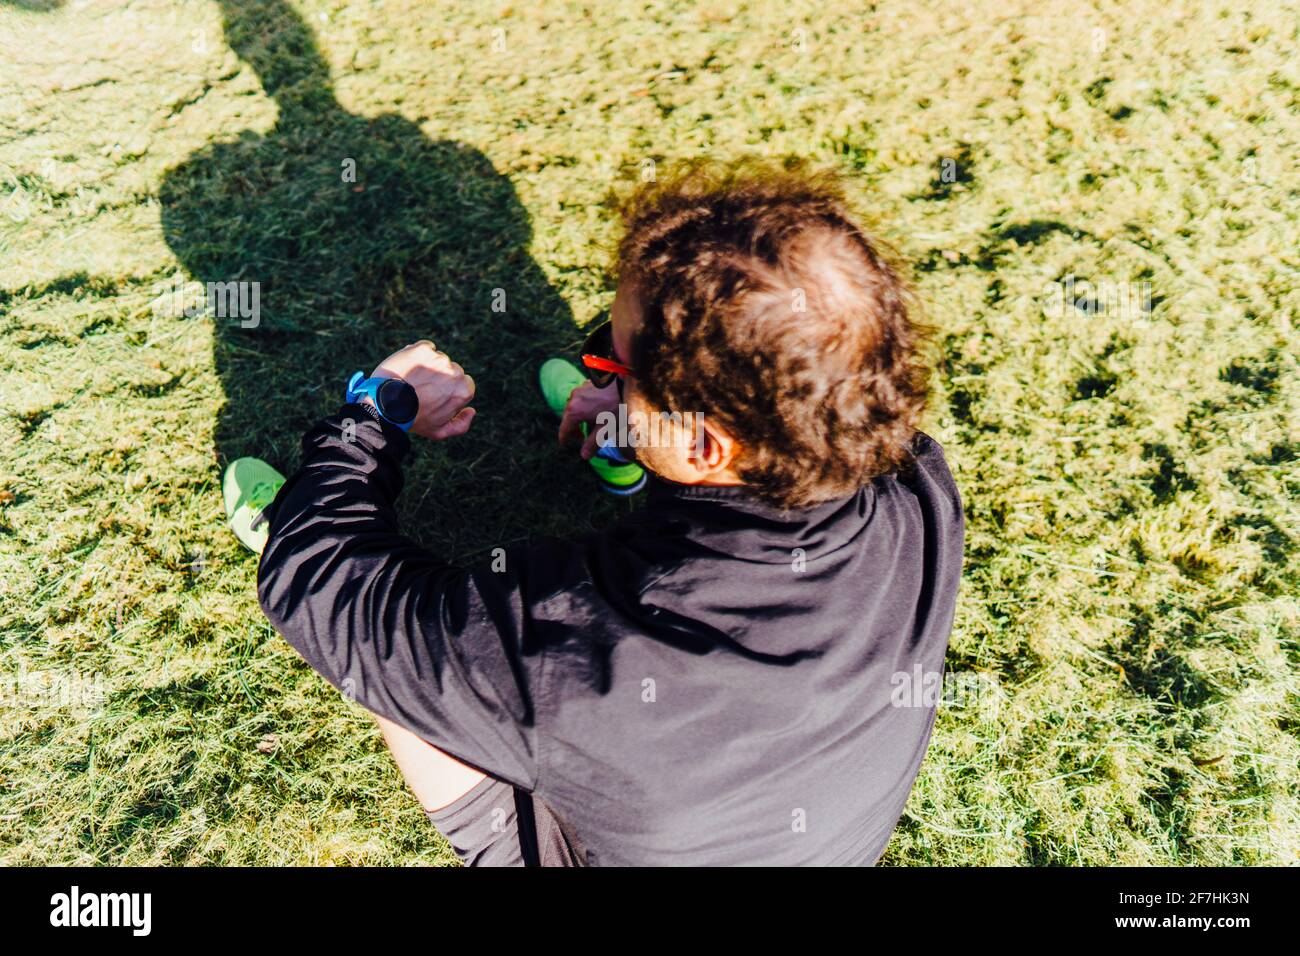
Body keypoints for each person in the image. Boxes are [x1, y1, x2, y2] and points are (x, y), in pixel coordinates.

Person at [226, 160, 964, 866]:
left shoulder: (577, 651)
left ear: (705, 444)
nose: (596, 371)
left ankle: (307, 506)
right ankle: (626, 463)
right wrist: (640, 419)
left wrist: (374, 418)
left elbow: (318, 589)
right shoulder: (921, 489)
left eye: (616, 364)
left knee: (399, 654)